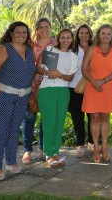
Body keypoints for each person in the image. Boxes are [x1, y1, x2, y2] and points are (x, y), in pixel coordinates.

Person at [0, 22, 36, 180]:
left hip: (22, 97)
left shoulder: (29, 50)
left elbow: (31, 71)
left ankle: (11, 162)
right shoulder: (3, 49)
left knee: (13, 130)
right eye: (18, 32)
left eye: (24, 32)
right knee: (0, 131)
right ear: (11, 33)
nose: (22, 34)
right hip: (3, 96)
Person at [36, 29, 78, 167]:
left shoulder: (72, 56)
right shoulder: (50, 50)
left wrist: (59, 75)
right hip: (47, 89)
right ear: (58, 38)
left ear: (72, 39)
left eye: (68, 37)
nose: (66, 40)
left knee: (59, 123)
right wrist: (48, 72)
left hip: (63, 91)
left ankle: (56, 151)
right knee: (49, 123)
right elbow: (38, 68)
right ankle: (49, 153)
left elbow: (70, 77)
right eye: (63, 37)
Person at [82, 24, 112, 163]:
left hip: (108, 88)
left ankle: (104, 148)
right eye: (103, 33)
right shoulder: (91, 49)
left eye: (109, 34)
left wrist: (102, 81)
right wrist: (94, 82)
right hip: (92, 87)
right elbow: (84, 69)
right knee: (93, 117)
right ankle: (95, 149)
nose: (106, 36)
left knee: (105, 117)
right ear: (98, 34)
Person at [22, 17, 56, 165]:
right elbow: (26, 65)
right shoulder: (30, 45)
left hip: (50, 85)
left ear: (50, 27)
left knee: (46, 119)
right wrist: (31, 84)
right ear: (37, 29)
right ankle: (28, 150)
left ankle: (43, 148)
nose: (44, 29)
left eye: (47, 26)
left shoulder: (56, 43)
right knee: (29, 118)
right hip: (31, 85)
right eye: (41, 27)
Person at [68, 24, 94, 158]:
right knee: (77, 117)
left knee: (92, 116)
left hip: (91, 87)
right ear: (77, 35)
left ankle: (91, 142)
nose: (84, 35)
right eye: (81, 33)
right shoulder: (72, 50)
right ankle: (80, 145)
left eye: (86, 33)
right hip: (74, 87)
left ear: (90, 35)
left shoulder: (95, 49)